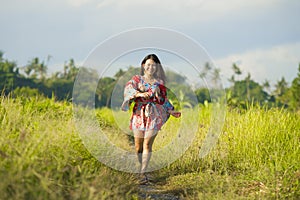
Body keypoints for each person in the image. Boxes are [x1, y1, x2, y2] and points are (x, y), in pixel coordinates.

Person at [121, 54, 181, 184]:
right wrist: (139, 93)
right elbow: (128, 90)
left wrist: (171, 110)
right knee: (138, 147)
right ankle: (141, 168)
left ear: (157, 67)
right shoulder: (136, 79)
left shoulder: (160, 83)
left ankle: (143, 173)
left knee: (147, 144)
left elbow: (163, 99)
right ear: (143, 65)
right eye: (148, 64)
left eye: (154, 65)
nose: (151, 67)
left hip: (154, 114)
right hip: (139, 113)